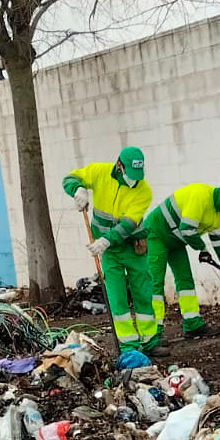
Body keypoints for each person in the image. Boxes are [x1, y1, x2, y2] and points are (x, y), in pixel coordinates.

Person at [62, 146, 163, 356]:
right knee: (117, 298)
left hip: (134, 247)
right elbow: (70, 178)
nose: (133, 180)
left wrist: (106, 241)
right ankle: (128, 346)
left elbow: (128, 224)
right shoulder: (100, 173)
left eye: (138, 175)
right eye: (130, 174)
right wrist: (77, 189)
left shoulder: (143, 190)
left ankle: (150, 342)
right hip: (109, 252)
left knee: (143, 293)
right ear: (119, 166)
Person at [143, 182, 220, 339]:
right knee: (155, 282)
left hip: (176, 241)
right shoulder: (201, 196)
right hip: (157, 233)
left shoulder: (217, 214)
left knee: (185, 281)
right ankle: (153, 332)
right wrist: (202, 249)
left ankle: (193, 325)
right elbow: (187, 229)